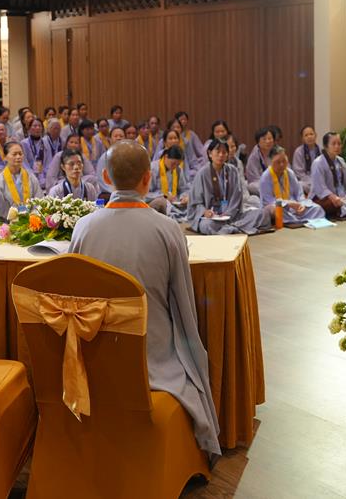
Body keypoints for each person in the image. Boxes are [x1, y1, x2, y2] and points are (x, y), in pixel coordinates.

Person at [66, 141, 222, 458]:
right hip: (153, 353)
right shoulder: (167, 229)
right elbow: (183, 303)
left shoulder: (83, 227)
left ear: (105, 178)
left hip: (96, 348)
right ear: (147, 179)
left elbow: (74, 295)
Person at [186, 138, 272, 235]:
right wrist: (205, 212)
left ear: (227, 154)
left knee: (263, 214)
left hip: (232, 216)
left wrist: (229, 213)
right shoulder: (202, 173)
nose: (221, 155)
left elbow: (237, 197)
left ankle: (229, 227)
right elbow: (195, 202)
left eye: (224, 152)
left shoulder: (233, 171)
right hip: (212, 218)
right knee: (206, 225)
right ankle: (233, 228)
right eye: (218, 152)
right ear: (210, 153)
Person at [259, 146, 324, 225]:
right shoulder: (265, 177)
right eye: (278, 162)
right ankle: (296, 220)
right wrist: (288, 203)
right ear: (270, 162)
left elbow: (299, 194)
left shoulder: (290, 173)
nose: (282, 164)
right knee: (276, 210)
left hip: (294, 207)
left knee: (317, 208)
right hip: (277, 207)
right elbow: (268, 201)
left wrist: (302, 205)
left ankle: (294, 220)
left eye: (284, 161)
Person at [0, 141, 43, 208]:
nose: (18, 157)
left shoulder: (31, 177)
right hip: (8, 214)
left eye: (20, 154)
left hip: (31, 214)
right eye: (14, 154)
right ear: (5, 157)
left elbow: (39, 200)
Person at [147, 145, 189, 219]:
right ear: (166, 157)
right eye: (173, 163)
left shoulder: (178, 170)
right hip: (156, 202)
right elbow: (146, 194)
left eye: (177, 164)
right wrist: (164, 196)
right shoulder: (152, 168)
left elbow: (184, 189)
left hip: (175, 203)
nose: (175, 166)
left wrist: (184, 197)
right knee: (161, 203)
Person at [244, 127, 277, 195]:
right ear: (258, 142)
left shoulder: (278, 153)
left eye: (270, 138)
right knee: (252, 186)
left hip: (276, 182)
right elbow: (254, 179)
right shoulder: (254, 157)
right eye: (264, 139)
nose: (267, 141)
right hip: (259, 184)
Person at [291, 125, 320, 191]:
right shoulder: (298, 152)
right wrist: (311, 181)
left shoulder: (321, 150)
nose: (309, 137)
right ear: (302, 138)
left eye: (311, 134)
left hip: (319, 180)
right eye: (306, 135)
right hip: (305, 181)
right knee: (300, 184)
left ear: (315, 135)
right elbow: (299, 172)